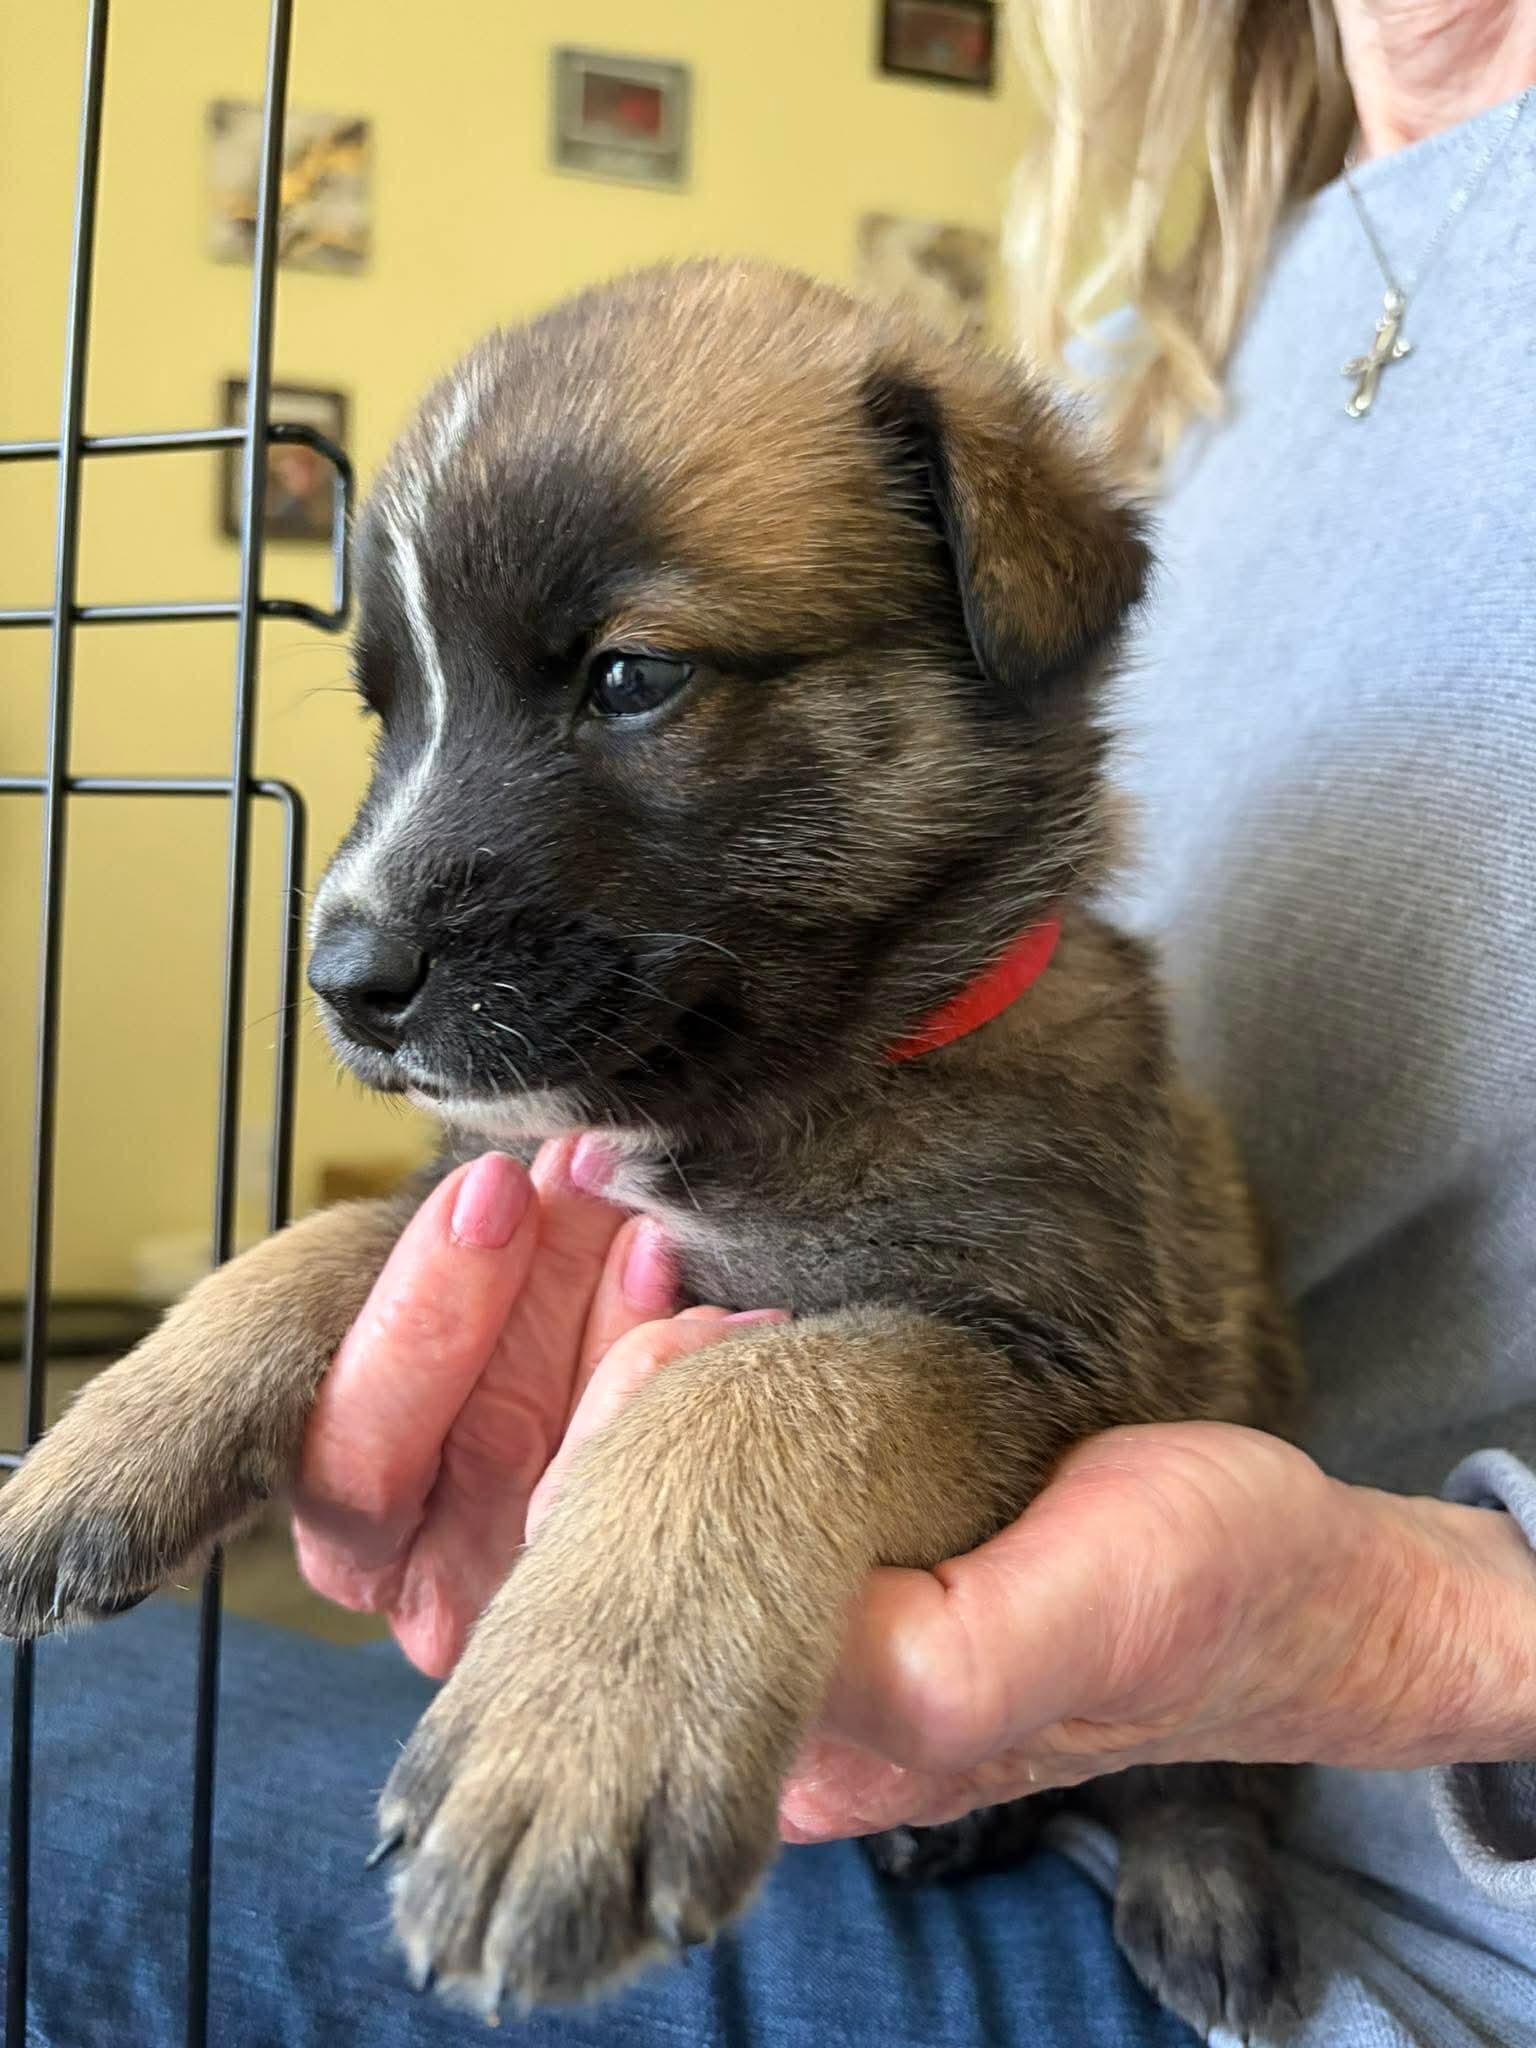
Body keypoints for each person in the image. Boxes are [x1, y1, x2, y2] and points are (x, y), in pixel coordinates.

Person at [9, 2, 1534, 2043]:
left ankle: (1200, 1810)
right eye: (406, 712)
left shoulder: (1025, 1023)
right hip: (887, 1733)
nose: (369, 906)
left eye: (629, 681)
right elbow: (511, 1242)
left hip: (1402, 1910)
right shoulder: (1181, 317)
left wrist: (1373, 1634)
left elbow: (995, 1374)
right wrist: (267, 1333)